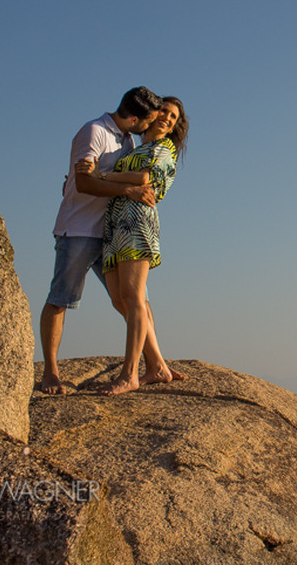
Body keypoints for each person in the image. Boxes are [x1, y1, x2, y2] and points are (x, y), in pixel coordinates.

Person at [40, 86, 163, 395]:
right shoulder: (93, 131)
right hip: (79, 228)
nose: (149, 127)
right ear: (135, 117)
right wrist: (127, 190)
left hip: (113, 231)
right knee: (61, 299)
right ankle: (51, 373)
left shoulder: (128, 140)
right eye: (147, 121)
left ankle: (155, 365)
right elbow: (81, 183)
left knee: (132, 301)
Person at [79, 96, 189, 396]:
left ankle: (129, 374)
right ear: (151, 116)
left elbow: (143, 178)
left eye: (173, 116)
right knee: (120, 299)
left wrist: (100, 175)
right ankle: (156, 366)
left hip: (137, 222)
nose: (167, 117)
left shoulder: (164, 149)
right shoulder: (134, 147)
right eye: (163, 112)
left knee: (134, 296)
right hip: (115, 224)